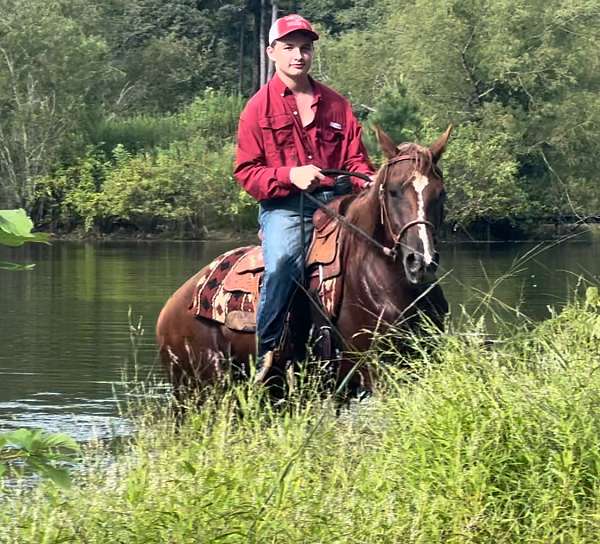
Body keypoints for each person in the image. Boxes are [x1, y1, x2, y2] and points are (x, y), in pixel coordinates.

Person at [234, 14, 375, 382]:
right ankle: (270, 354)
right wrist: (289, 175)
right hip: (286, 206)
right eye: (289, 48)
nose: (299, 55)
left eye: (306, 48)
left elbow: (356, 159)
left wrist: (370, 181)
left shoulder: (336, 104)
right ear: (271, 52)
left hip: (339, 201)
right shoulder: (257, 109)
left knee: (385, 247)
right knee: (283, 265)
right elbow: (247, 173)